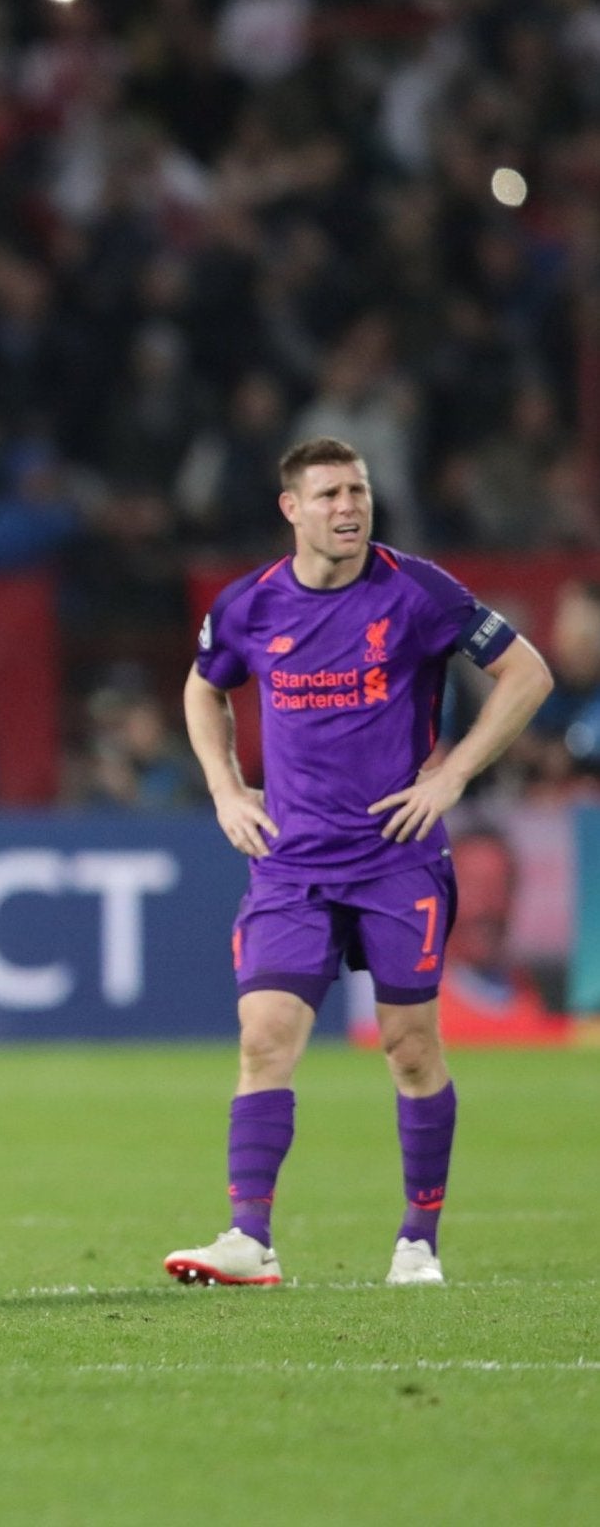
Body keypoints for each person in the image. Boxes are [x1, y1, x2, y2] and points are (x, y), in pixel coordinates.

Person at [167, 436, 553, 1288]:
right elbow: (202, 686)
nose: (348, 507)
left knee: (409, 1049)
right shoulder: (249, 604)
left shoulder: (417, 591)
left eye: (357, 491)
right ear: (291, 509)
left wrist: (452, 773)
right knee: (264, 1037)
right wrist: (225, 790)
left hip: (394, 859)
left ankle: (418, 1240)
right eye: (329, 494)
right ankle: (248, 1237)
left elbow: (525, 673)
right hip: (290, 864)